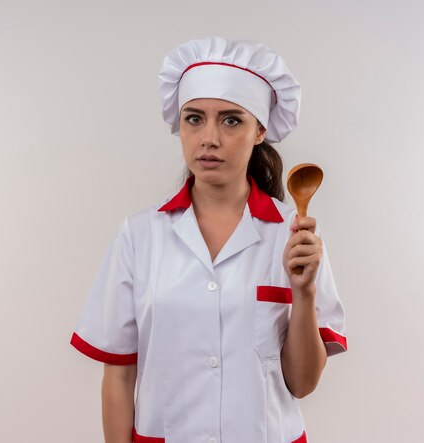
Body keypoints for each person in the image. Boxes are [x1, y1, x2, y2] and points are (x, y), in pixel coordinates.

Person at [70, 36, 347, 443]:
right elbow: (119, 373)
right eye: (194, 118)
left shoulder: (295, 233)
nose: (209, 138)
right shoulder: (140, 236)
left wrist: (303, 293)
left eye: (232, 119)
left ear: (259, 132)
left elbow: (302, 384)